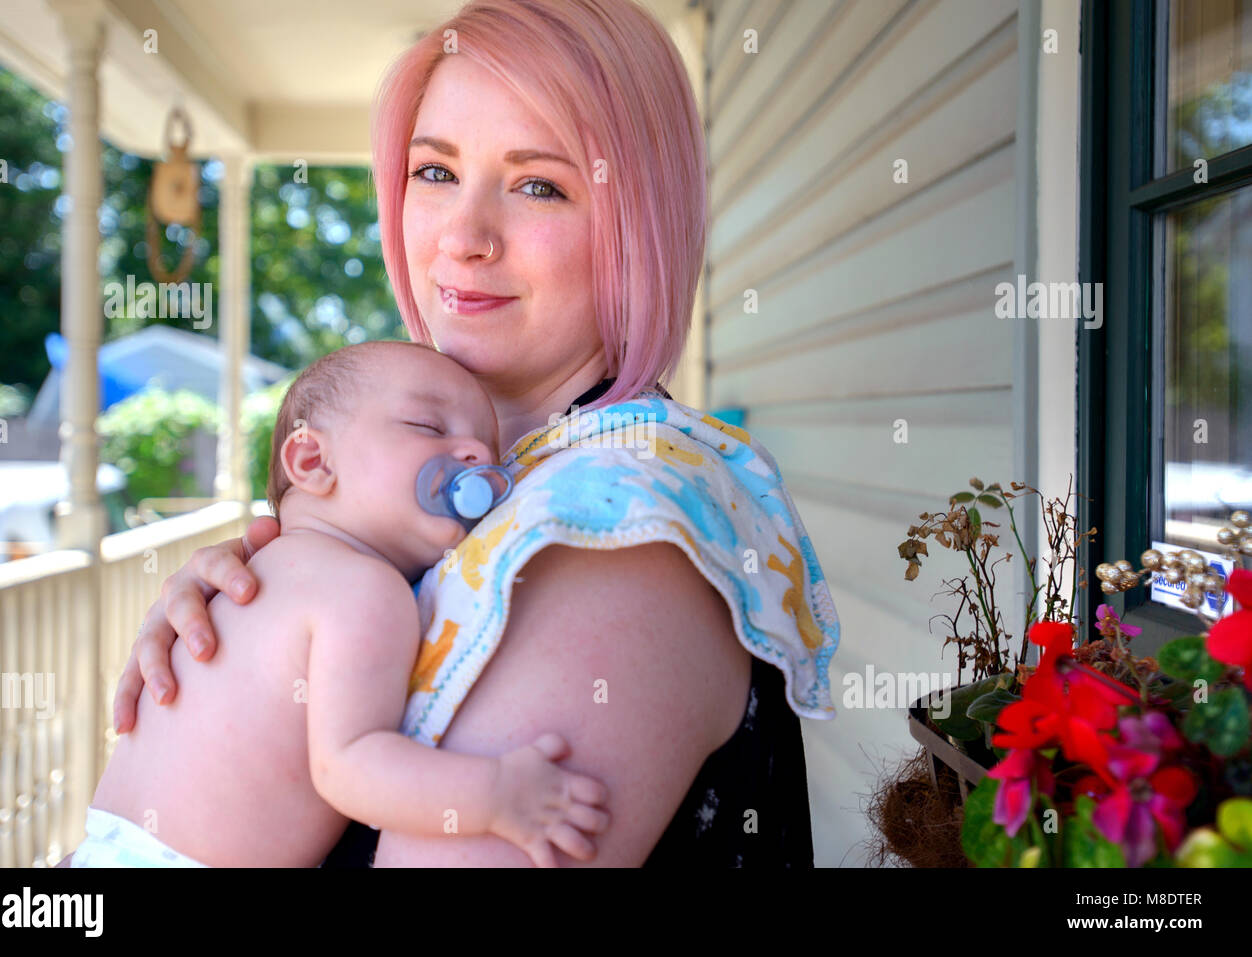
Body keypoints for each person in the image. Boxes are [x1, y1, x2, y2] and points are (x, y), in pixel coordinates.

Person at [74, 0, 840, 868]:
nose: (464, 237)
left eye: (538, 183)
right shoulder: (449, 500)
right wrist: (254, 637)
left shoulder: (620, 521)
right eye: (434, 171)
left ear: (640, 226)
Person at [70, 341, 610, 867]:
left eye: (489, 450)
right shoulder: (365, 589)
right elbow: (351, 769)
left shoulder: (252, 569)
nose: (476, 456)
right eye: (428, 427)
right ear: (312, 459)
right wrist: (499, 796)